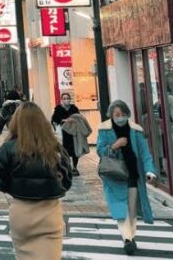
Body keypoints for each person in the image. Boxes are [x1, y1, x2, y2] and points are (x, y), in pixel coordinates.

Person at [0, 102, 74, 259]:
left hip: (21, 212)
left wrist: (15, 187)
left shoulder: (8, 148)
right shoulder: (55, 148)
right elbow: (67, 181)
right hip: (49, 212)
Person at [96, 100, 157, 255]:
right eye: (117, 114)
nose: (120, 117)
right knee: (119, 207)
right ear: (111, 115)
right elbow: (100, 150)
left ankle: (131, 236)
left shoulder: (136, 130)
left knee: (132, 208)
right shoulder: (105, 129)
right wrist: (114, 146)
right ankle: (127, 239)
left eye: (123, 114)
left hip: (133, 173)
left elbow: (145, 152)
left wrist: (150, 171)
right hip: (114, 174)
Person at [52, 92, 84, 175]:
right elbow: (54, 119)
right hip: (64, 132)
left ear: (70, 99)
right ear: (62, 100)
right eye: (64, 98)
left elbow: (79, 117)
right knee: (65, 150)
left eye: (67, 98)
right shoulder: (58, 108)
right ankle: (67, 167)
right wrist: (65, 120)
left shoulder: (74, 108)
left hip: (73, 132)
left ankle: (75, 167)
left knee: (75, 150)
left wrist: (74, 121)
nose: (66, 100)